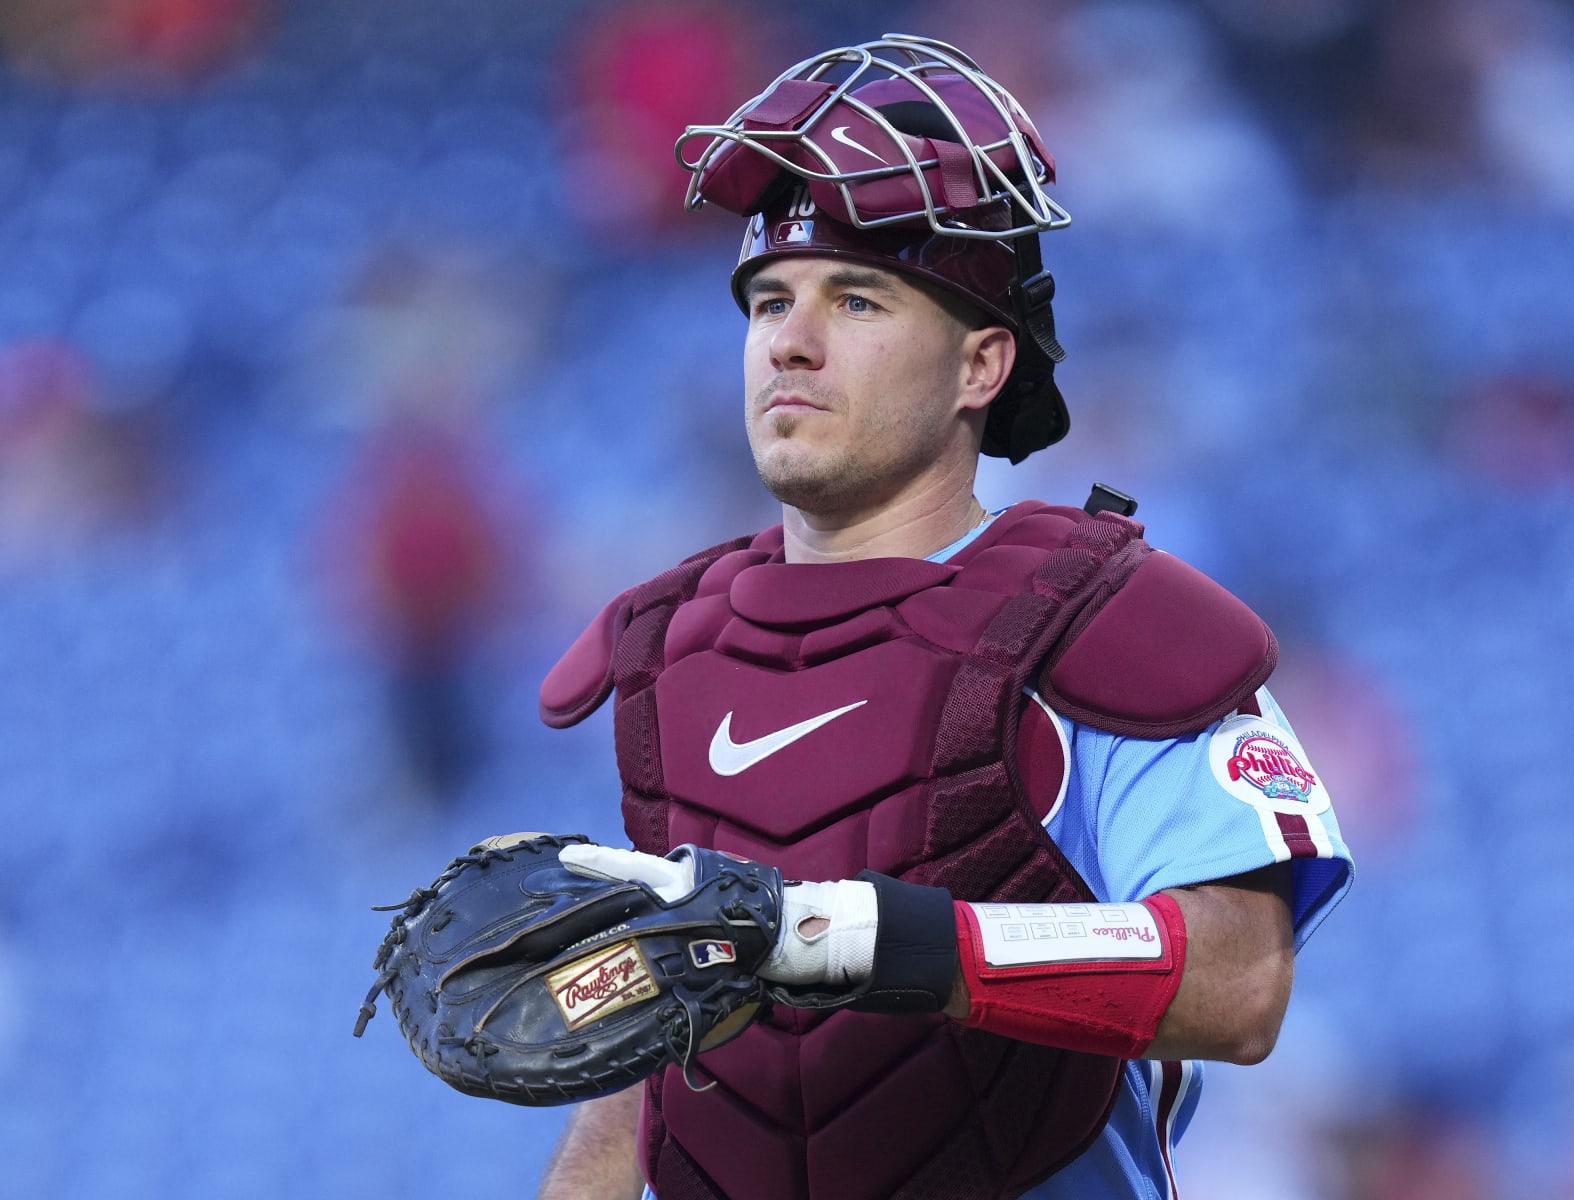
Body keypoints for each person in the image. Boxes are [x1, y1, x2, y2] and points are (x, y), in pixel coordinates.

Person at [534, 34, 1352, 1200]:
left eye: (854, 298)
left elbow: (1239, 984)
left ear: (981, 364)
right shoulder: (675, 651)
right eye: (768, 301)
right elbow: (651, 1085)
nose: (790, 341)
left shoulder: (1108, 625)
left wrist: (891, 942)